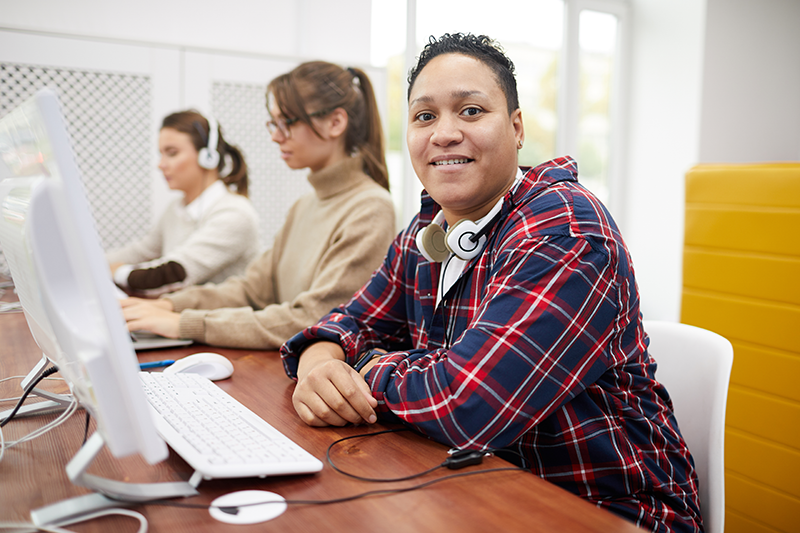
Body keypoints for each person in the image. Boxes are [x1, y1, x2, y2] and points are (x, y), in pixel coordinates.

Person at [280, 34, 703, 532]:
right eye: (424, 116)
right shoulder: (429, 229)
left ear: (517, 127)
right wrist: (319, 362)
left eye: (472, 111)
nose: (444, 133)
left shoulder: (565, 229)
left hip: (606, 511)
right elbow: (349, 322)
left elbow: (467, 405)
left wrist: (363, 367)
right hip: (475, 488)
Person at [120, 61, 396, 350]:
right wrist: (169, 306)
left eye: (287, 123)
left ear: (336, 123)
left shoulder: (371, 208)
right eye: (273, 123)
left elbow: (315, 318)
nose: (276, 136)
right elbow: (252, 290)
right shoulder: (304, 205)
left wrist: (185, 323)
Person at [107, 111, 259, 296]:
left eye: (172, 153)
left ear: (207, 157)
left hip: (214, 322)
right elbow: (140, 252)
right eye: (161, 154)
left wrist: (117, 272)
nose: (160, 164)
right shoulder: (176, 209)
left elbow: (172, 274)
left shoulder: (235, 214)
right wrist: (90, 263)